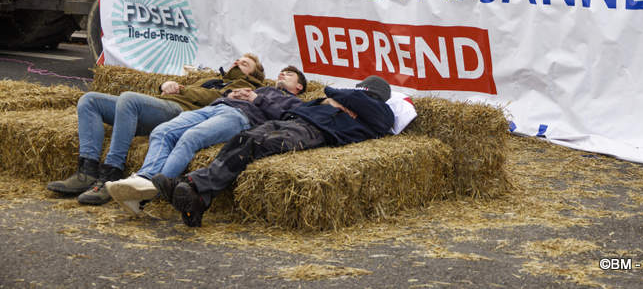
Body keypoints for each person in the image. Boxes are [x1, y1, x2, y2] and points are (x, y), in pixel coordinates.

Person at [154, 75, 395, 227]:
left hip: (314, 132)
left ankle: (193, 186)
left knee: (257, 145)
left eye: (359, 90)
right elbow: (316, 101)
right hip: (295, 120)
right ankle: (199, 198)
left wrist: (333, 98)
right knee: (244, 138)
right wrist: (326, 102)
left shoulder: (380, 112)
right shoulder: (349, 103)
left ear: (366, 91)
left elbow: (334, 92)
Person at [47, 54, 266, 205]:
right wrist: (164, 85)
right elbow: (183, 89)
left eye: (245, 63)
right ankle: (87, 170)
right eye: (237, 59)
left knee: (128, 99)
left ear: (253, 75)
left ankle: (111, 173)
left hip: (179, 111)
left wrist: (182, 88)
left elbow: (214, 99)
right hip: (160, 106)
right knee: (89, 100)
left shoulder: (246, 87)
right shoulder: (212, 79)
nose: (238, 62)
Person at [106, 66, 308, 216]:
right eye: (281, 72)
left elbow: (287, 118)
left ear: (299, 86)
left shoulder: (295, 102)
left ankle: (148, 193)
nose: (282, 74)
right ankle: (143, 179)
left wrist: (256, 99)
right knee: (162, 131)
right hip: (214, 108)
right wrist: (232, 93)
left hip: (239, 117)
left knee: (190, 138)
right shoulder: (262, 88)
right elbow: (217, 94)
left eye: (289, 74)